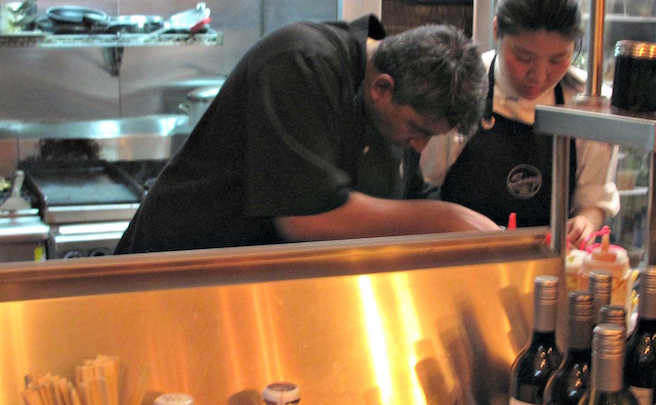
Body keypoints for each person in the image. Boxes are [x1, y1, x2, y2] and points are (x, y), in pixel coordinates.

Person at [115, 16, 500, 254]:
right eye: (417, 130)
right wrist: (447, 219)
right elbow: (306, 218)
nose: (419, 146)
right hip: (176, 269)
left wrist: (480, 232)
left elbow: (408, 197)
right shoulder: (301, 62)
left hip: (257, 286)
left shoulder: (401, 104)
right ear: (382, 88)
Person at [421, 0, 619, 247]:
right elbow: (423, 190)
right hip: (461, 254)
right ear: (496, 30)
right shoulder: (460, 87)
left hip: (549, 261)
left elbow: (593, 201)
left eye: (557, 59)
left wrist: (585, 222)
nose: (539, 75)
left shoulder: (589, 103)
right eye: (523, 57)